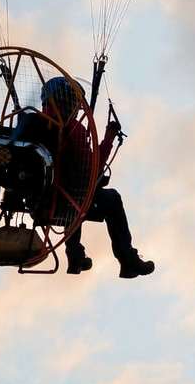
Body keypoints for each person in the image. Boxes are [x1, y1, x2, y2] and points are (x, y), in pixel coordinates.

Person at [40, 77, 154, 279]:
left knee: (76, 197)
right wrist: (109, 138)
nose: (76, 110)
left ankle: (74, 255)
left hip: (41, 202)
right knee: (109, 199)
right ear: (65, 102)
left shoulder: (33, 123)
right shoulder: (73, 129)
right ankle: (127, 260)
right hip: (67, 198)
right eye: (74, 104)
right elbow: (92, 168)